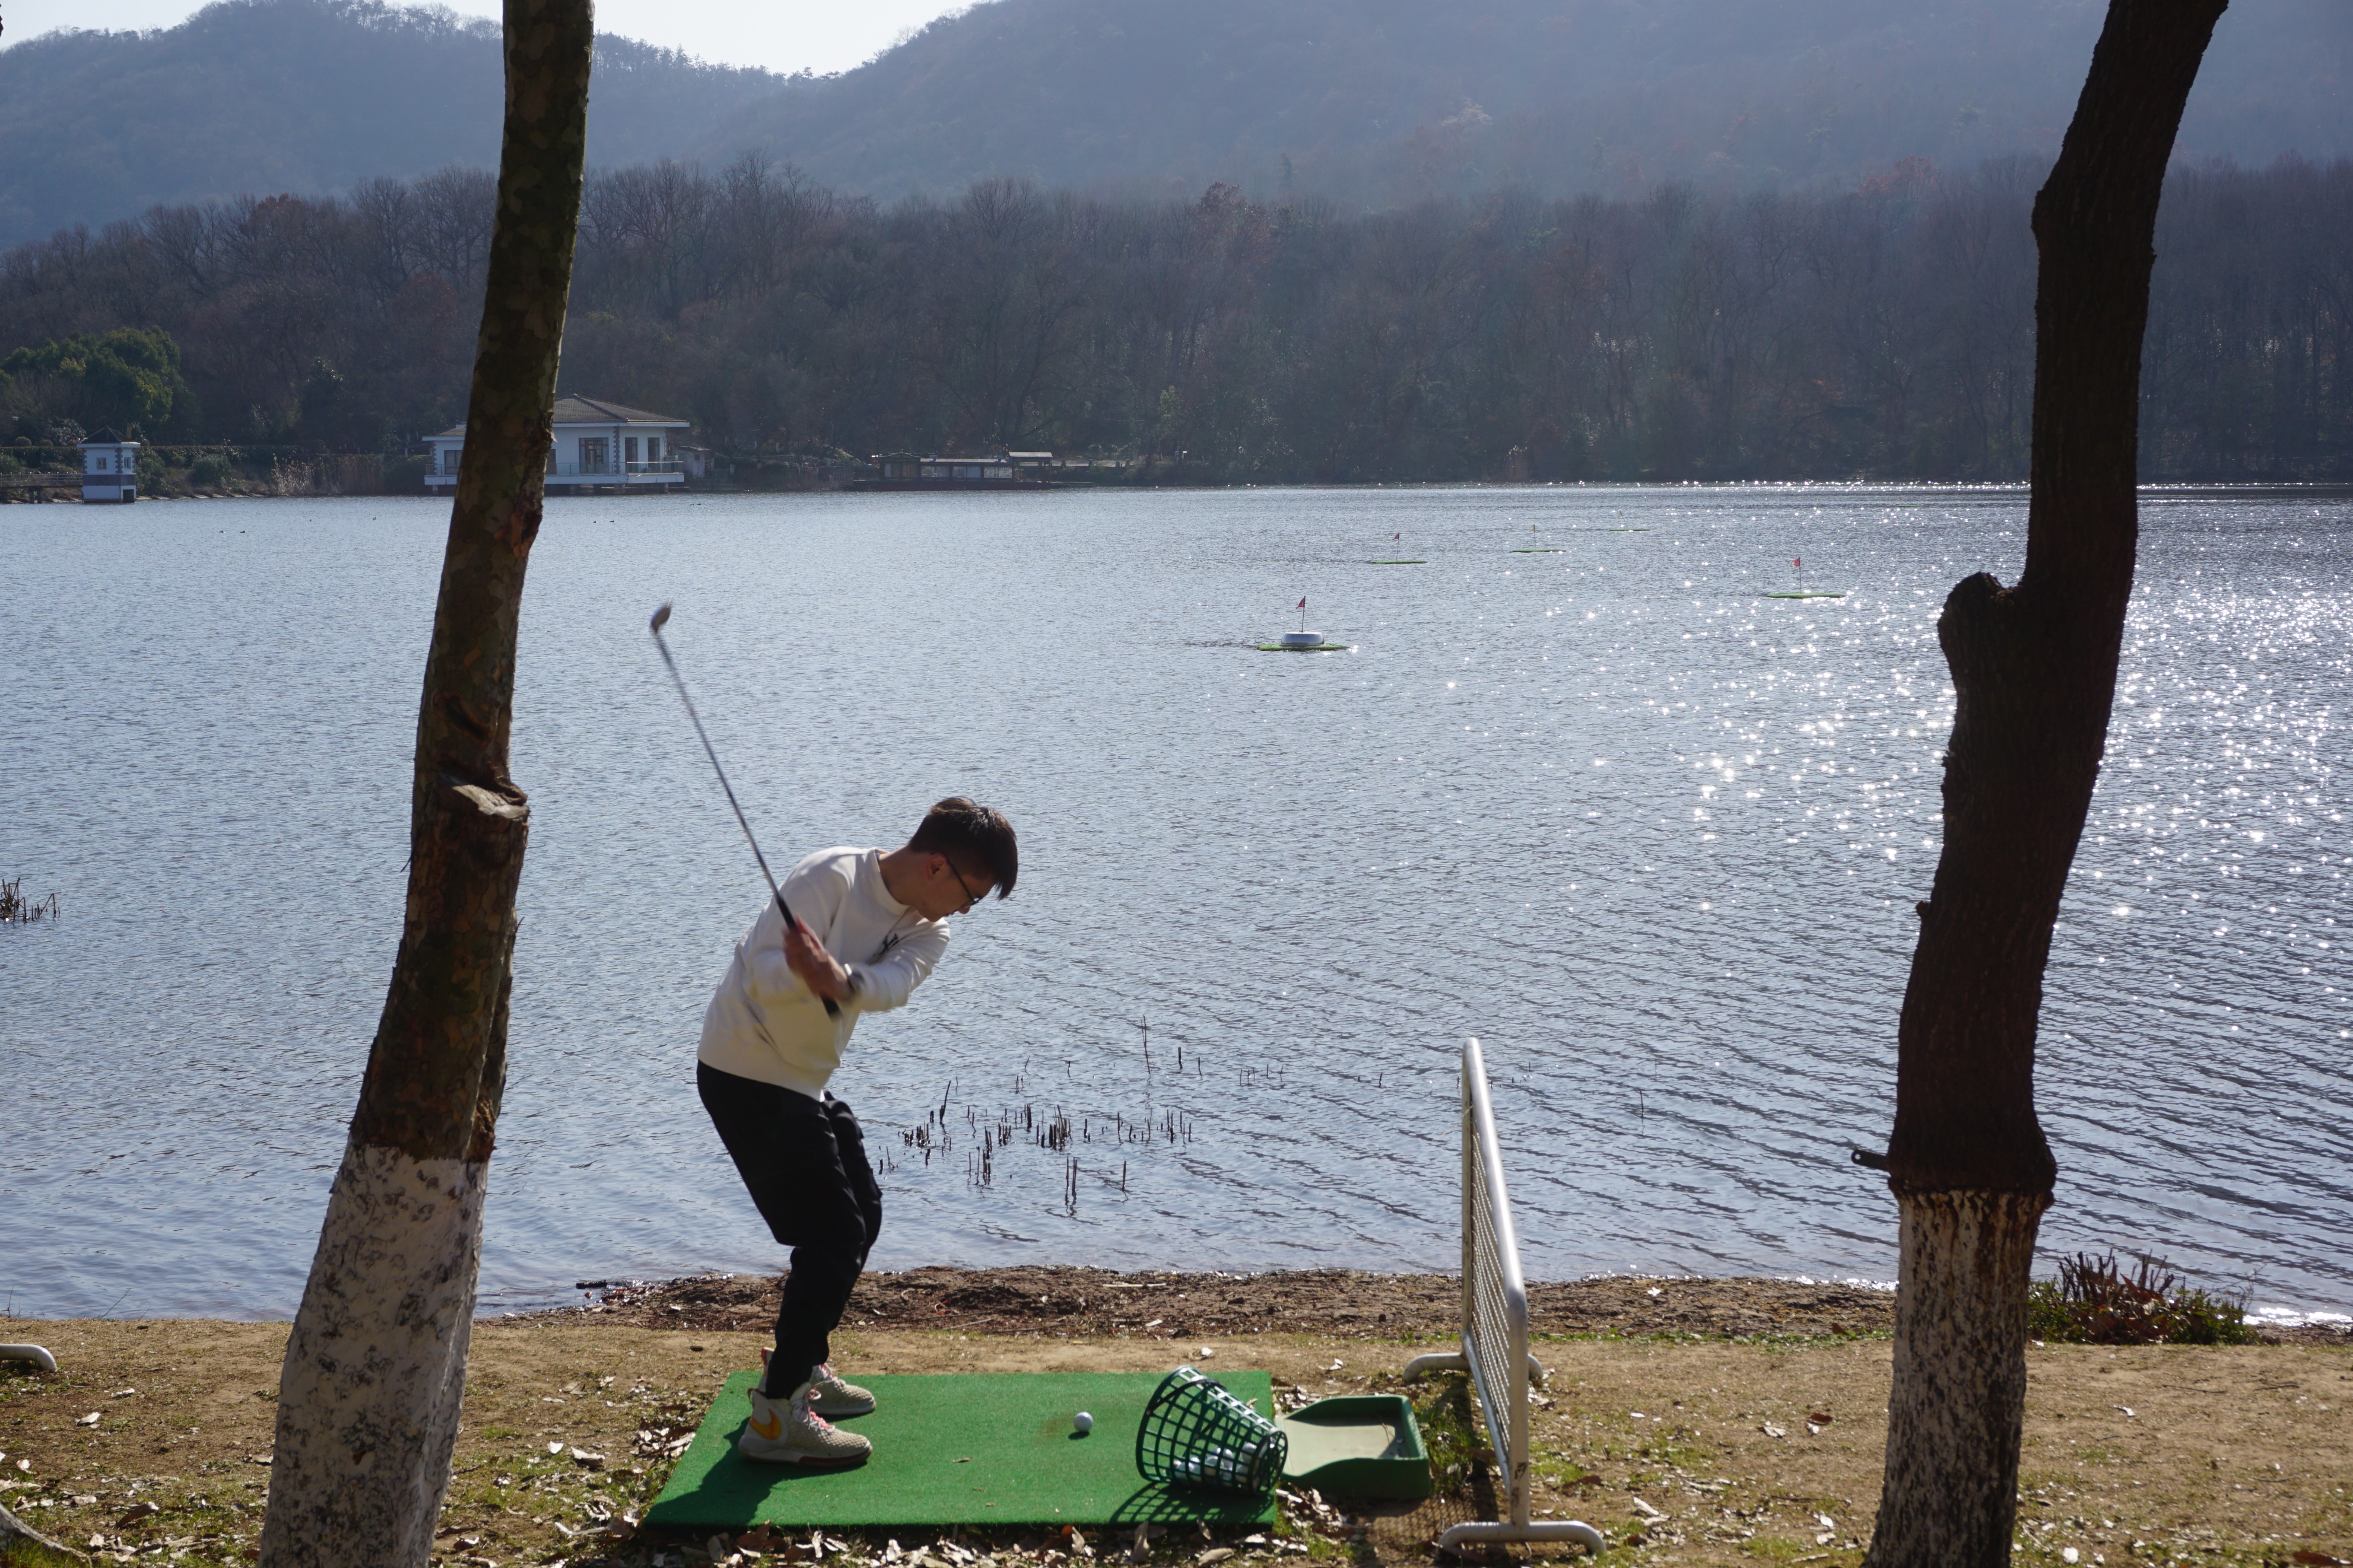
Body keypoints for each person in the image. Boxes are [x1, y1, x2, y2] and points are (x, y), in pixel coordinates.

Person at [696, 797, 1018, 1465]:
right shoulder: (830, 876)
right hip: (745, 1068)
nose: (965, 911)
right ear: (937, 865)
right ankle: (777, 1417)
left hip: (801, 1077)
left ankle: (801, 1364)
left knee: (862, 1215)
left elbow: (893, 985)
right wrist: (802, 977)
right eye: (970, 895)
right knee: (832, 1234)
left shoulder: (930, 928)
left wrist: (837, 980)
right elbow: (761, 973)